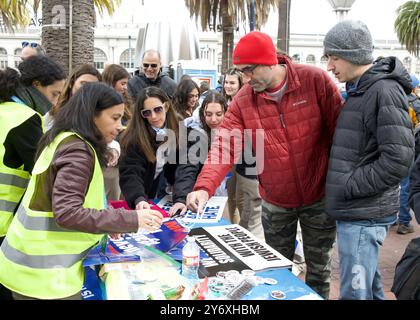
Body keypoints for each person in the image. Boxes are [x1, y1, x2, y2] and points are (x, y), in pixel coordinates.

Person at [186, 31, 343, 299]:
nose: (245, 80)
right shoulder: (244, 100)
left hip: (318, 195)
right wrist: (204, 187)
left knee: (319, 270)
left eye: (249, 71)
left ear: (269, 61)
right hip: (276, 200)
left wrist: (337, 183)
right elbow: (224, 146)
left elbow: (340, 132)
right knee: (277, 270)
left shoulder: (313, 80)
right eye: (241, 72)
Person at [0, 82, 163, 300]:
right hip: (45, 276)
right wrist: (131, 219)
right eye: (114, 118)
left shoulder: (65, 139)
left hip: (32, 268)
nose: (120, 126)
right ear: (91, 115)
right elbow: (67, 212)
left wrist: (109, 223)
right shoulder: (77, 150)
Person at [323, 20, 414, 300]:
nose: (329, 66)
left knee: (355, 291)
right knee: (368, 289)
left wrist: (350, 185)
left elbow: (399, 159)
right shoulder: (362, 89)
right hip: (360, 213)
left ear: (351, 54)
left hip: (364, 214)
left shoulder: (382, 91)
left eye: (333, 57)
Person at [119, 87, 192, 215]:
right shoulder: (134, 137)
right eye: (147, 113)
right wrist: (138, 199)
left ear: (167, 106)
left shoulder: (180, 130)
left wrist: (181, 197)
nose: (153, 116)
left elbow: (184, 169)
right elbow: (131, 172)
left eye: (158, 110)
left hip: (160, 190)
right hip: (137, 194)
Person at [222, 68, 264, 240]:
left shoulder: (246, 104)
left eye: (232, 83)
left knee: (247, 208)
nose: (228, 86)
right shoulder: (222, 102)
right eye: (226, 82)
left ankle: (244, 239)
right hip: (232, 164)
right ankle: (233, 232)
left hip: (249, 165)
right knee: (232, 201)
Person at [396, 74, 420, 235]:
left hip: (393, 148)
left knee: (391, 185)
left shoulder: (393, 100)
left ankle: (392, 217)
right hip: (410, 148)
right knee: (406, 186)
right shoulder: (416, 104)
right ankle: (404, 221)